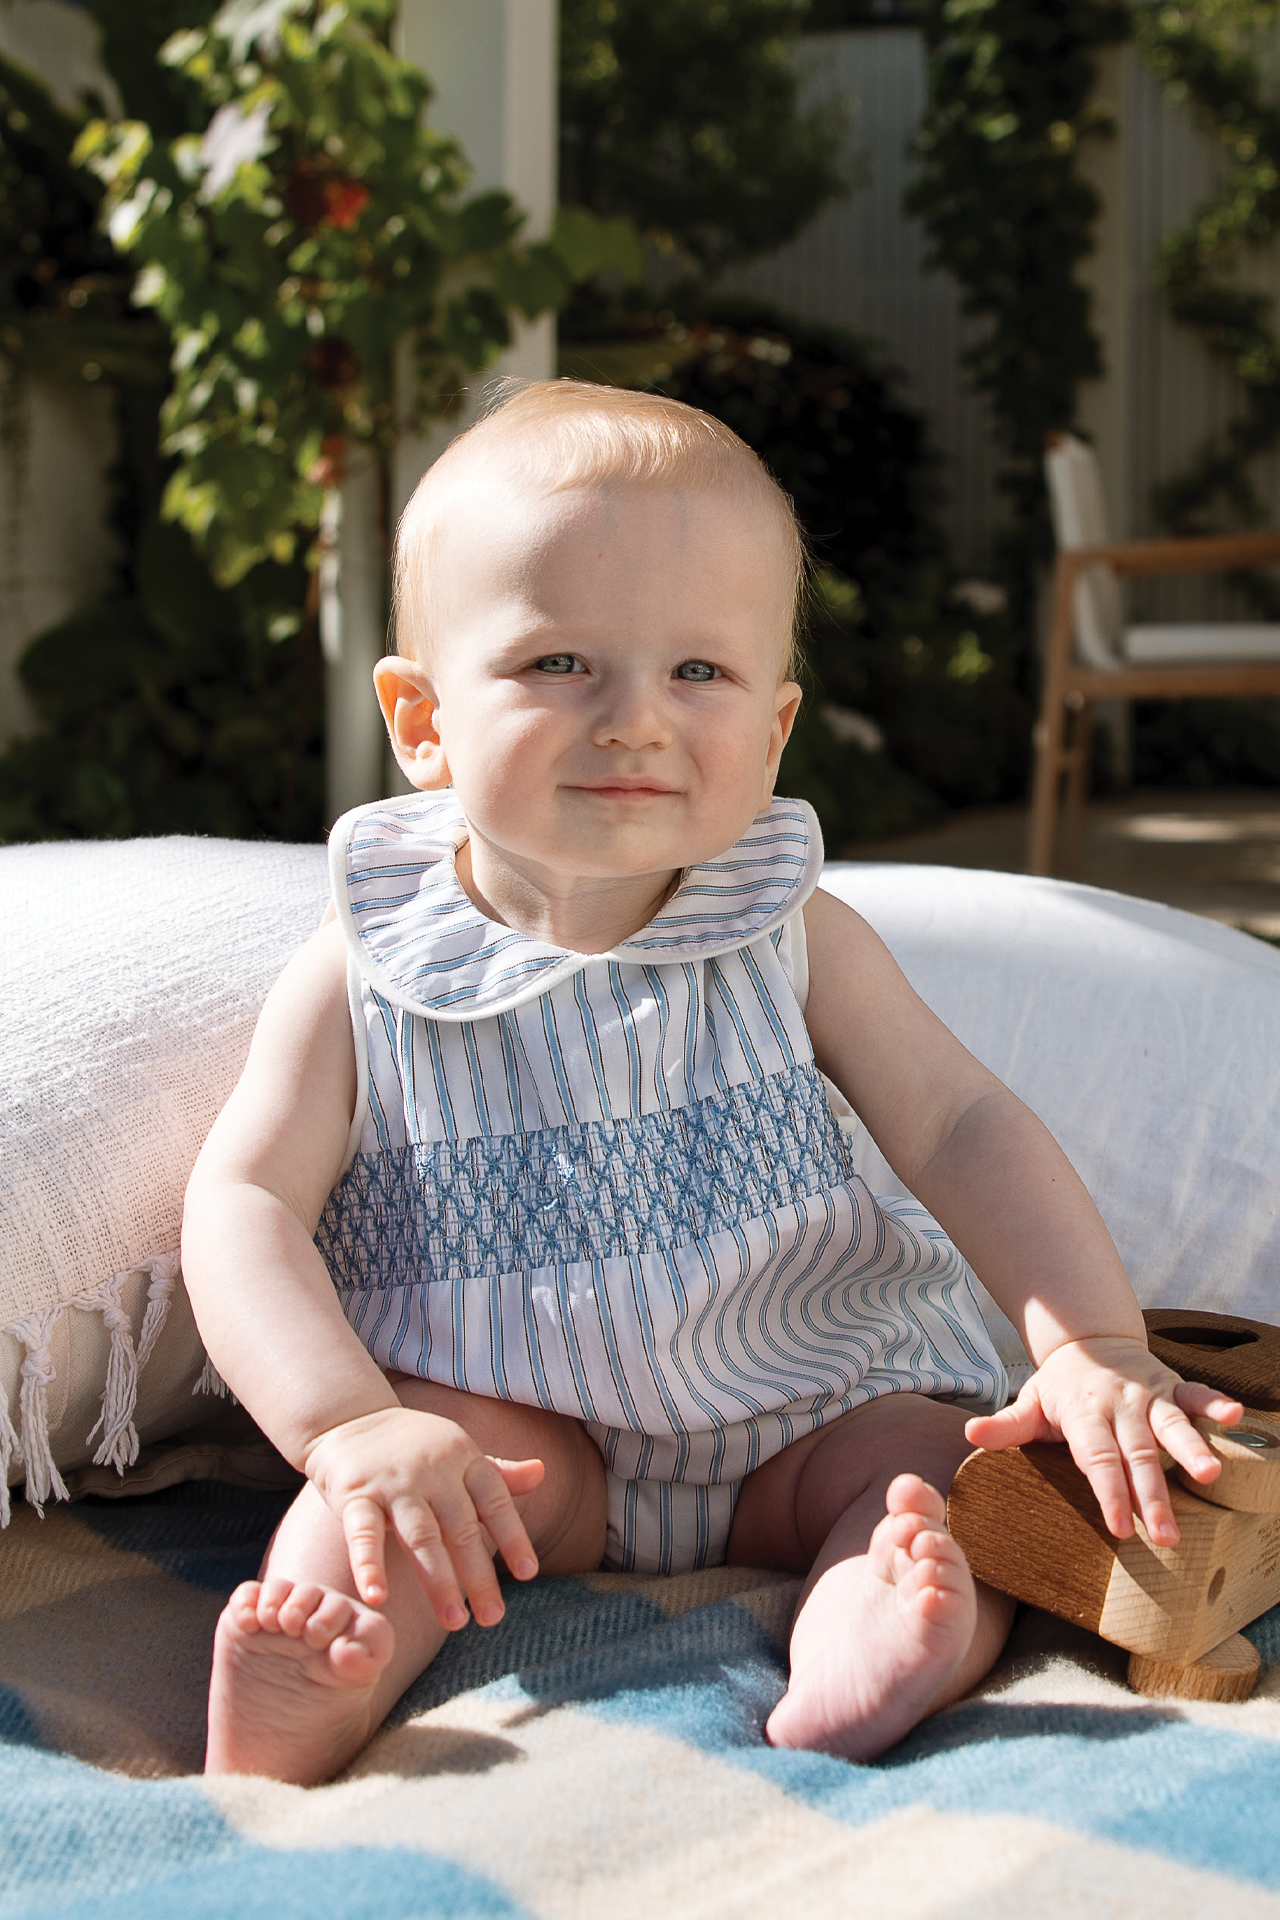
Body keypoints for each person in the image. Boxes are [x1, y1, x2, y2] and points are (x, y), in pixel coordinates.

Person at [183, 380, 1241, 1786]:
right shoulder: (367, 969)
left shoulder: (792, 934)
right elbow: (244, 1197)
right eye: (561, 664)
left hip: (805, 1402)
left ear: (777, 727)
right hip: (520, 1439)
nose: (634, 720)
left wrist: (1088, 1342)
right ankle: (330, 1662)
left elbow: (961, 1124)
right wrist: (344, 1423)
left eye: (699, 673)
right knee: (404, 1496)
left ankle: (875, 1625)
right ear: (423, 721)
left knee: (939, 1478)